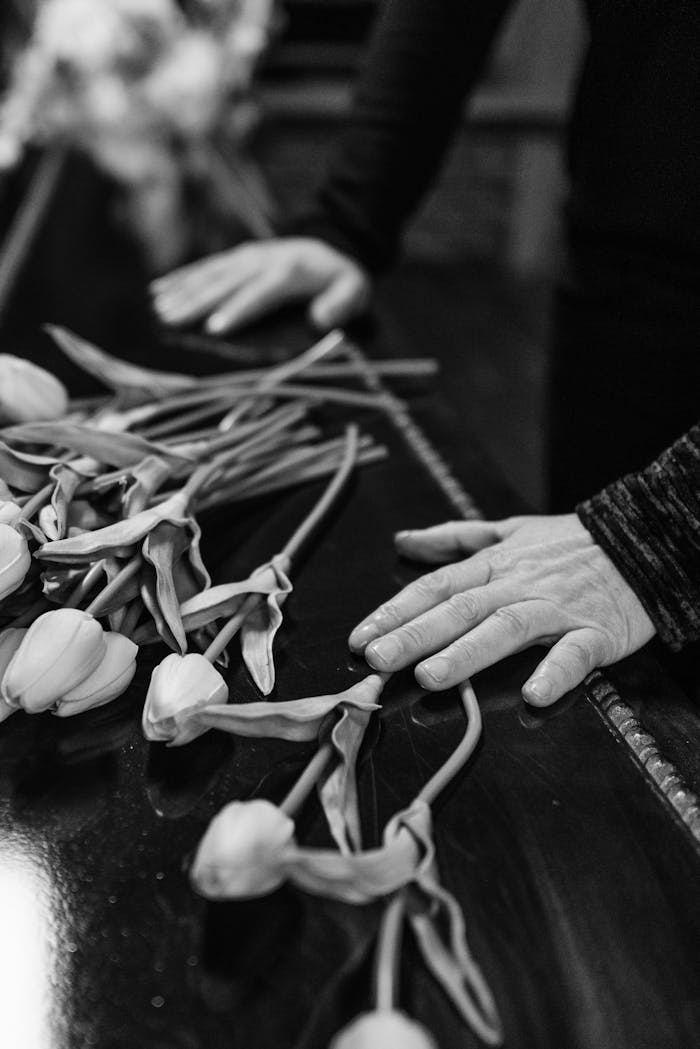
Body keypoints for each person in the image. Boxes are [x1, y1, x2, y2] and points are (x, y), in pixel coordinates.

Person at [151, 0, 700, 703]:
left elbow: (639, 556)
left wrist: (662, 533)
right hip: (631, 260)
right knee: (588, 671)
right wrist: (349, 221)